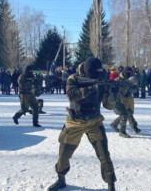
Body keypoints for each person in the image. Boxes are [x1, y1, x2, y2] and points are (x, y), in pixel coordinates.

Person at [47, 58, 117, 191]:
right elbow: (71, 95)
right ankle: (61, 179)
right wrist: (92, 88)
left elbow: (108, 106)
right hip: (75, 122)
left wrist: (113, 95)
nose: (97, 74)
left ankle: (111, 185)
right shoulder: (74, 78)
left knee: (104, 155)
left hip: (94, 122)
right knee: (63, 154)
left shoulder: (102, 78)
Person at [110, 66, 141, 138]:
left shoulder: (129, 80)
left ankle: (115, 124)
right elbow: (112, 90)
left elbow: (132, 89)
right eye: (127, 73)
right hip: (119, 100)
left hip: (127, 98)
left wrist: (135, 87)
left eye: (130, 73)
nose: (129, 74)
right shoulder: (118, 80)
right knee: (125, 114)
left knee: (128, 112)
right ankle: (123, 130)